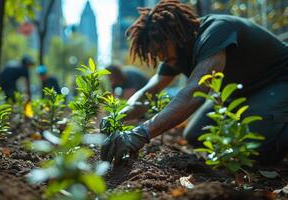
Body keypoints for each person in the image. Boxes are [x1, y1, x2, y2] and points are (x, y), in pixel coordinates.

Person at [100, 0, 288, 166]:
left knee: (258, 153)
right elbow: (150, 90)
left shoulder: (215, 30)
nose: (159, 57)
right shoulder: (175, 55)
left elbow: (196, 90)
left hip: (278, 81)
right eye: (153, 52)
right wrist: (118, 116)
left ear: (174, 35)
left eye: (159, 48)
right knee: (196, 134)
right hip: (241, 92)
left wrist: (141, 133)